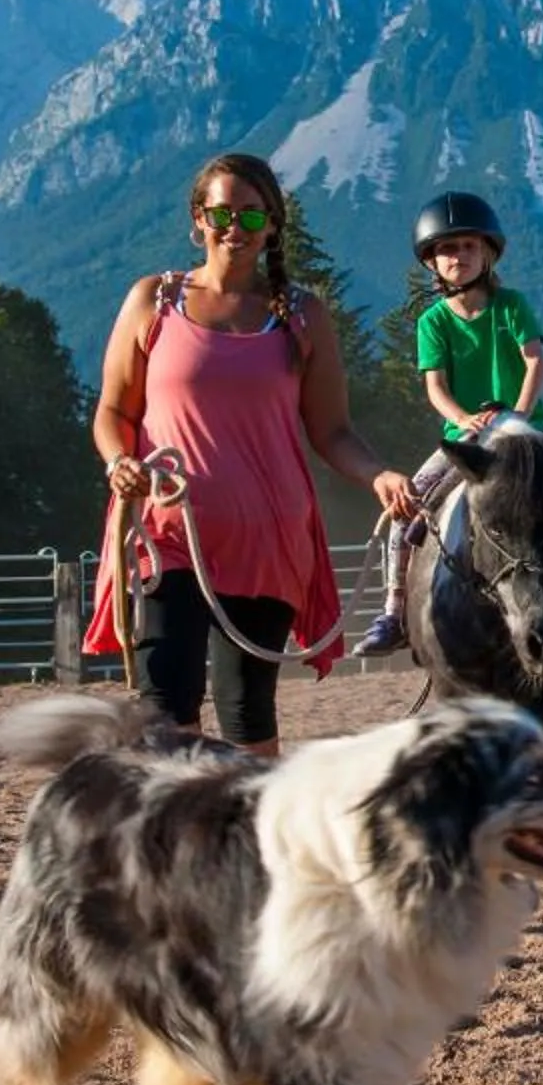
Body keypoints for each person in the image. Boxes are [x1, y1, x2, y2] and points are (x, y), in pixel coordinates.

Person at [87, 153, 420, 755]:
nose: (233, 227)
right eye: (220, 212)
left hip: (266, 540)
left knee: (247, 714)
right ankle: (172, 844)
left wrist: (378, 476)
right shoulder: (153, 301)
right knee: (164, 712)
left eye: (249, 214)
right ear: (198, 218)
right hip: (167, 533)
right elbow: (113, 412)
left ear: (272, 223)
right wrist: (119, 462)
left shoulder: (300, 316)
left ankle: (251, 844)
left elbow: (332, 430)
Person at [349, 190, 543, 657]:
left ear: (488, 254)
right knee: (410, 506)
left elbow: (535, 362)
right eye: (446, 249)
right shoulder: (432, 322)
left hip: (522, 430)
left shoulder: (512, 305)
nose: (458, 256)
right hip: (468, 438)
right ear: (431, 263)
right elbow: (435, 386)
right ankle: (395, 611)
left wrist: (517, 411)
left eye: (468, 247)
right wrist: (463, 421)